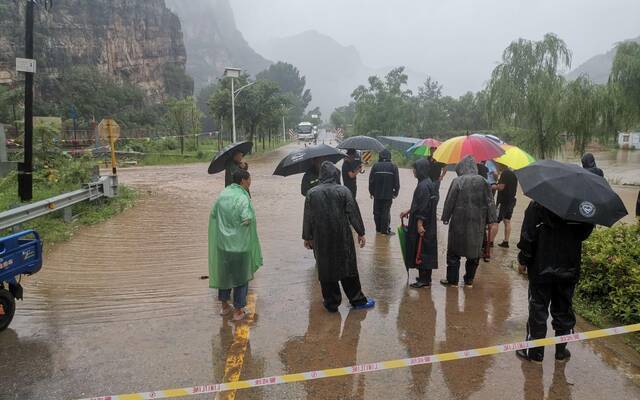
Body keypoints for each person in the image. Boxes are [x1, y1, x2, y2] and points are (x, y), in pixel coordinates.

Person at [515, 201, 594, 363]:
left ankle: (536, 353)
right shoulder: (582, 205)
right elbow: (584, 234)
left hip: (540, 267)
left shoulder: (538, 203)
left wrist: (523, 260)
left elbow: (528, 236)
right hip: (569, 267)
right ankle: (561, 351)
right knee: (563, 309)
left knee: (538, 308)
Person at [303, 161, 375, 312]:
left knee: (326, 268)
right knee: (348, 267)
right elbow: (353, 213)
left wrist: (307, 237)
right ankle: (357, 300)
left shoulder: (312, 193)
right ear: (336, 175)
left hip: (321, 238)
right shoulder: (344, 191)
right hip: (342, 235)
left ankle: (331, 303)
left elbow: (308, 217)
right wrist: (360, 232)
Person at [208, 169, 263, 321]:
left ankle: (225, 306)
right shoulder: (243, 198)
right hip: (240, 246)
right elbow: (246, 218)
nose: (250, 183)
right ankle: (238, 310)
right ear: (243, 181)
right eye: (249, 180)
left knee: (224, 275)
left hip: (223, 246)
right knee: (241, 277)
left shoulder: (222, 195)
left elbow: (213, 215)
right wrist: (248, 218)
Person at [440, 156, 495, 287]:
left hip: (458, 222)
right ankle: (469, 281)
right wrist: (491, 220)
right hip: (477, 223)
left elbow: (449, 201)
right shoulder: (484, 182)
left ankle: (452, 281)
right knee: (474, 253)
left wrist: (445, 217)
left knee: (453, 253)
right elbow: (490, 203)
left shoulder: (457, 181)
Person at [400, 159, 439, 288]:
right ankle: (426, 277)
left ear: (421, 170)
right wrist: (409, 210)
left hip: (424, 223)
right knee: (426, 249)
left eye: (415, 169)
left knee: (421, 250)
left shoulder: (423, 186)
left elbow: (423, 207)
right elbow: (421, 203)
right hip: (429, 222)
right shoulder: (428, 183)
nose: (414, 171)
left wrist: (419, 224)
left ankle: (424, 280)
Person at [369, 149, 400, 235]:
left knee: (376, 212)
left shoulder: (375, 166)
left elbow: (371, 181)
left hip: (377, 194)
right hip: (388, 195)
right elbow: (396, 182)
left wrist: (371, 192)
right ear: (389, 157)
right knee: (385, 212)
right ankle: (384, 231)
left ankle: (378, 230)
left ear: (380, 156)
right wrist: (395, 193)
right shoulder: (393, 167)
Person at [490, 162, 518, 248]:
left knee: (495, 221)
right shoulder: (513, 174)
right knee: (507, 221)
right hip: (511, 201)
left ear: (501, 165)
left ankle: (490, 242)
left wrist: (492, 186)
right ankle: (506, 242)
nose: (497, 166)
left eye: (497, 165)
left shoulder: (505, 173)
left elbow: (501, 187)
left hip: (503, 201)